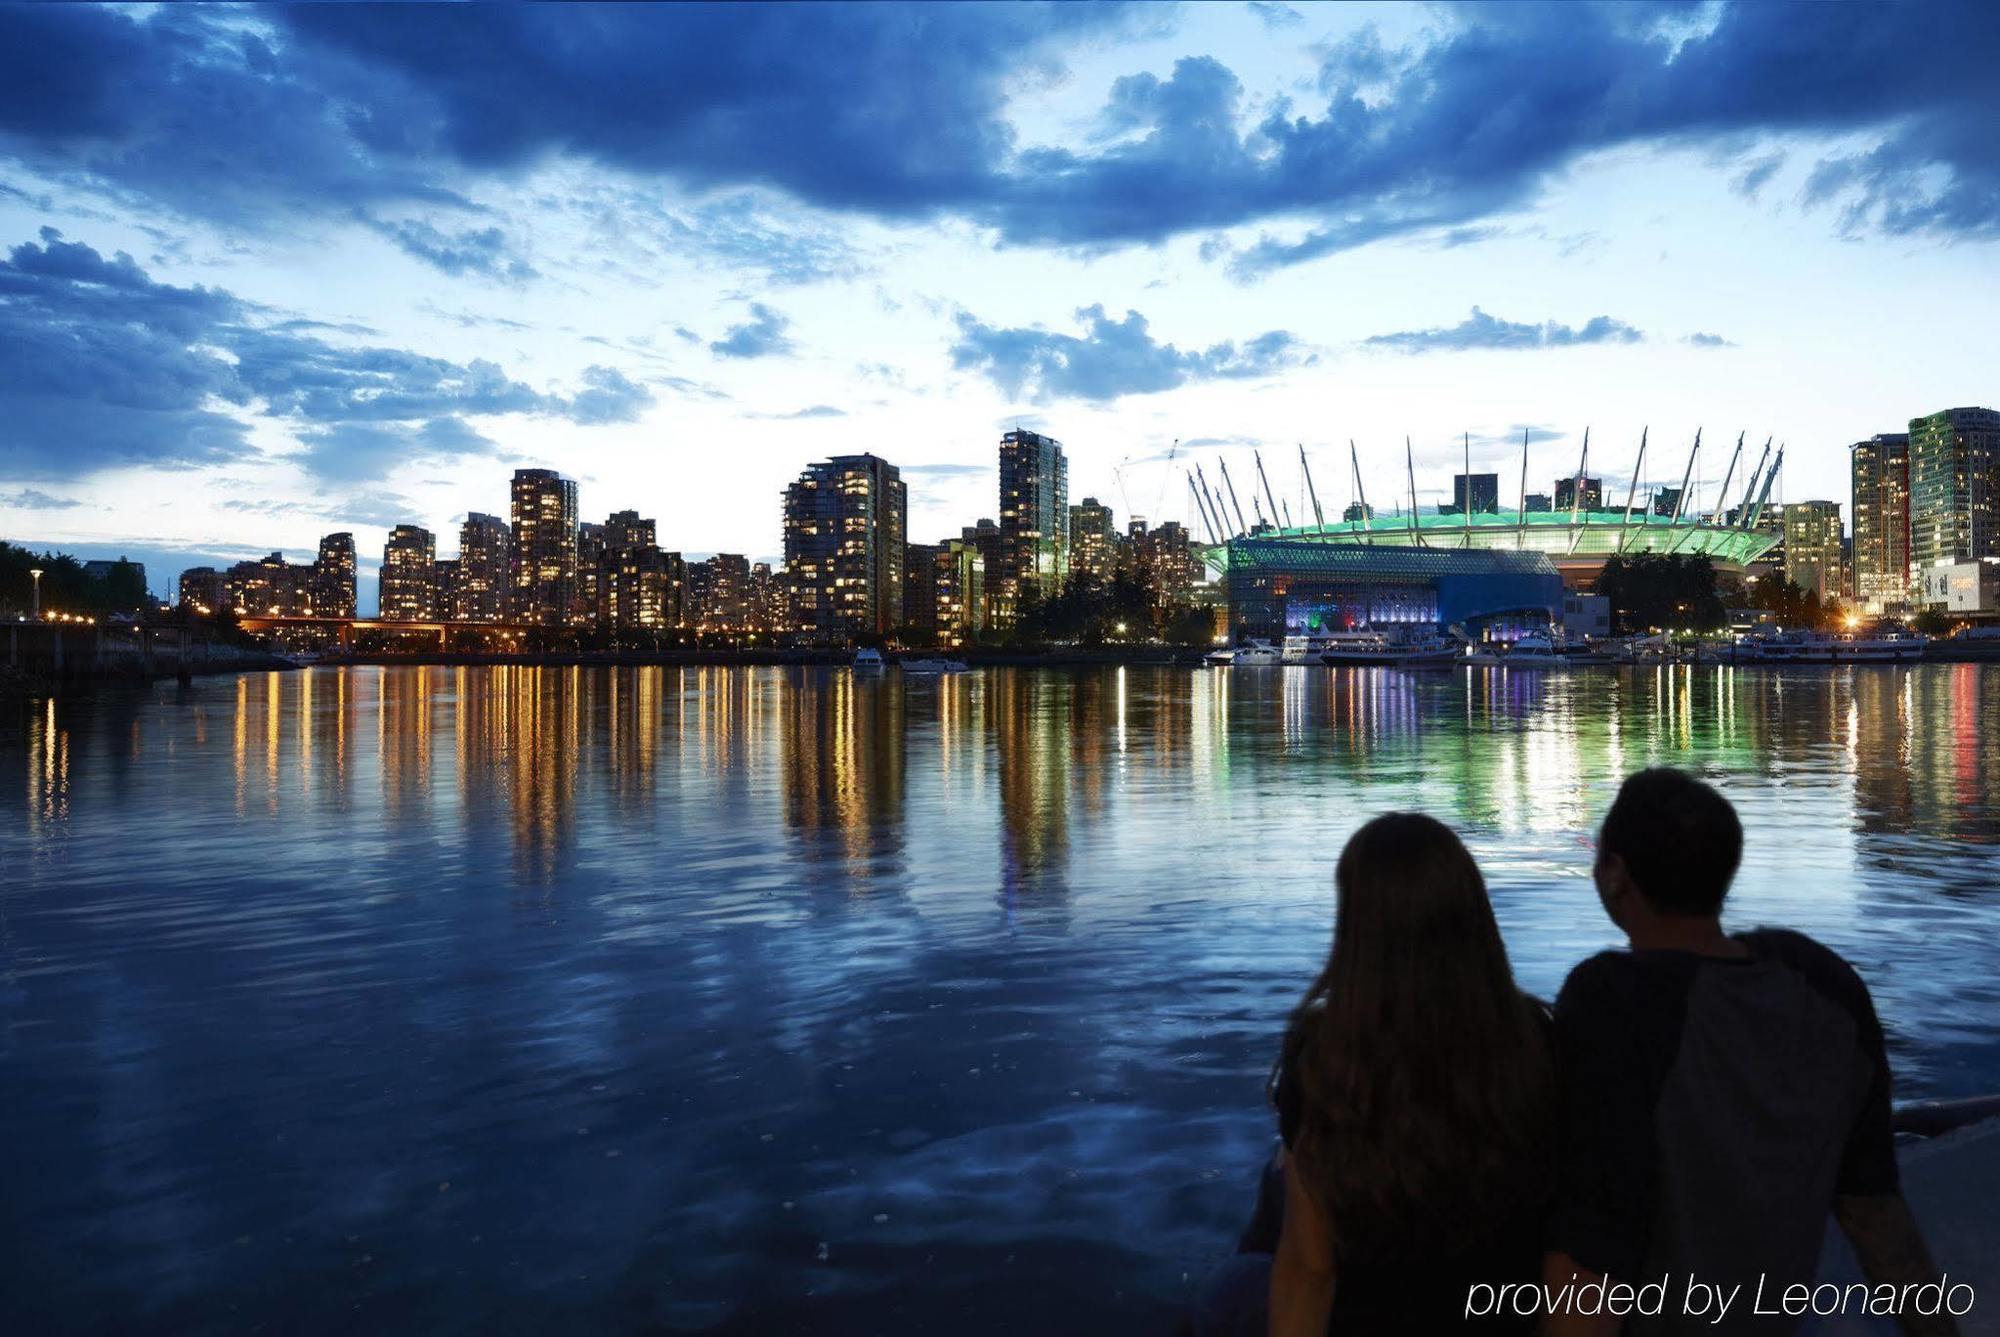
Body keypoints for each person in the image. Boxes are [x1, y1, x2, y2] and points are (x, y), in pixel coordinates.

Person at [1543, 767, 1955, 1336]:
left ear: (1615, 875)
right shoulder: (1825, 990)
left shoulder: (1613, 1001)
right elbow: (1877, 1220)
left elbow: (1592, 1254)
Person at [1190, 812, 1556, 1335]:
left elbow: (1310, 1270)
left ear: (1357, 925)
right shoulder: (1535, 1040)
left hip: (1365, 1314)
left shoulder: (1329, 1057)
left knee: (1235, 1278)